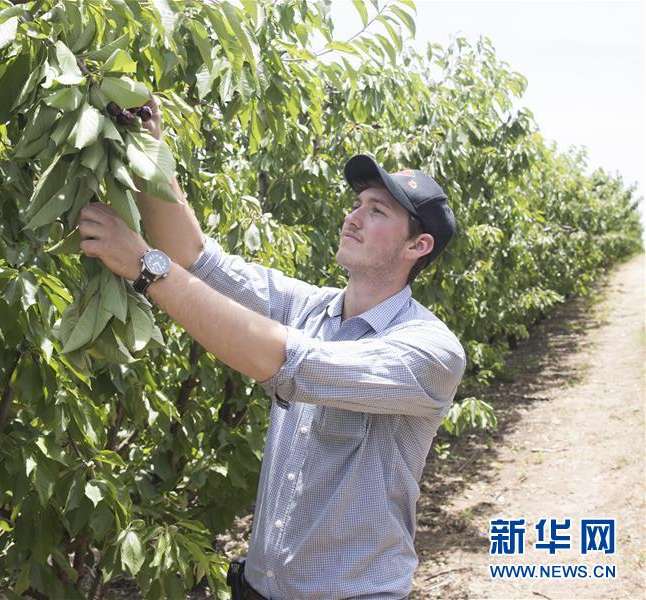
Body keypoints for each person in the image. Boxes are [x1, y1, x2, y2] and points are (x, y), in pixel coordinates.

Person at [77, 97, 466, 599]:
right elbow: (197, 257)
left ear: (418, 247)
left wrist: (146, 268)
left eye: (377, 211)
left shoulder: (430, 351)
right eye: (356, 204)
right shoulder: (310, 308)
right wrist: (148, 151)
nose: (353, 217)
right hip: (261, 588)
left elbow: (291, 365)